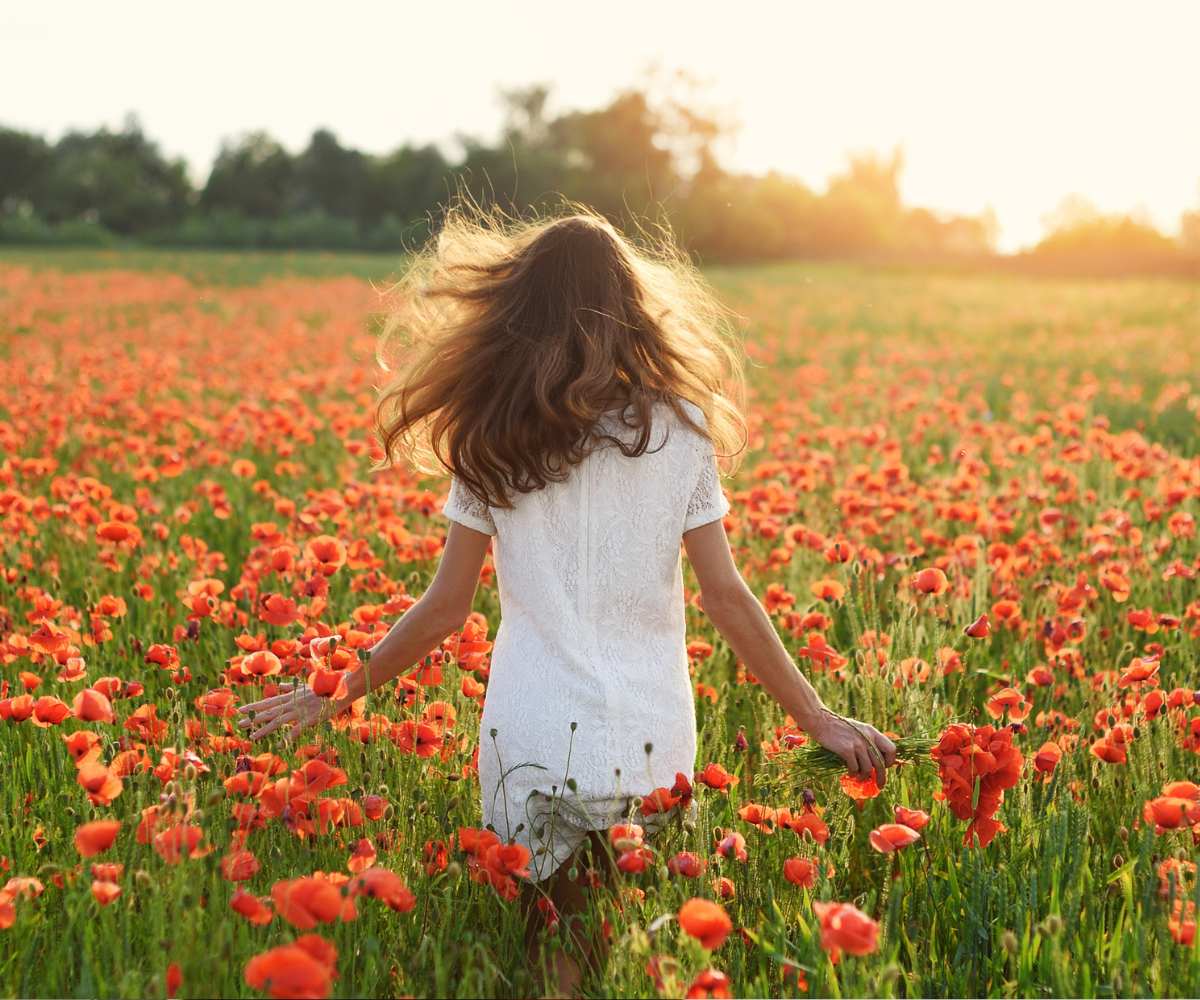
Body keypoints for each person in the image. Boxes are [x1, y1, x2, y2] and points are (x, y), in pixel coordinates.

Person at [237, 203, 897, 997]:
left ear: (517, 312)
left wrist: (333, 696)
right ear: (632, 310)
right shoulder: (679, 429)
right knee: (607, 954)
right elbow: (726, 596)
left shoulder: (494, 435)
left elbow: (446, 609)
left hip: (535, 734)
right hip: (647, 738)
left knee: (547, 959)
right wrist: (818, 718)